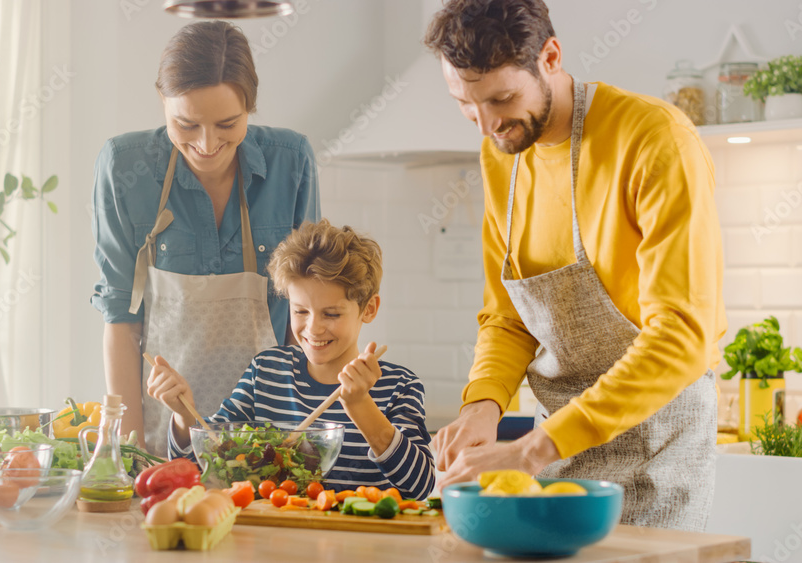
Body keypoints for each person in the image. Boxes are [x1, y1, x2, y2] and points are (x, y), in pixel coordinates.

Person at [424, 0, 726, 531]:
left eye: (502, 98)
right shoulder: (502, 155)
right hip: (557, 453)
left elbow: (682, 334)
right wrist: (483, 405)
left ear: (551, 57)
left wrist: (534, 449)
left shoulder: (655, 140)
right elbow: (508, 316)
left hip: (658, 449)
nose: (487, 126)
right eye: (466, 105)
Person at [91, 21, 320, 457]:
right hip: (164, 432)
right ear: (162, 101)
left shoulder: (291, 162)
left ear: (251, 107)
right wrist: (131, 455)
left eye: (227, 123)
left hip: (269, 435)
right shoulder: (123, 166)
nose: (207, 143)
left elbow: (305, 313)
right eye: (186, 124)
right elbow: (121, 317)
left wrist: (298, 441)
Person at [147, 219, 435, 499]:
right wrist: (184, 416)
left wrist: (360, 405)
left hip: (362, 544)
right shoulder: (266, 372)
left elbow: (420, 485)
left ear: (369, 309)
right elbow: (202, 466)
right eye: (300, 311)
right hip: (274, 540)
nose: (313, 328)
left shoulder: (399, 386)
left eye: (331, 314)